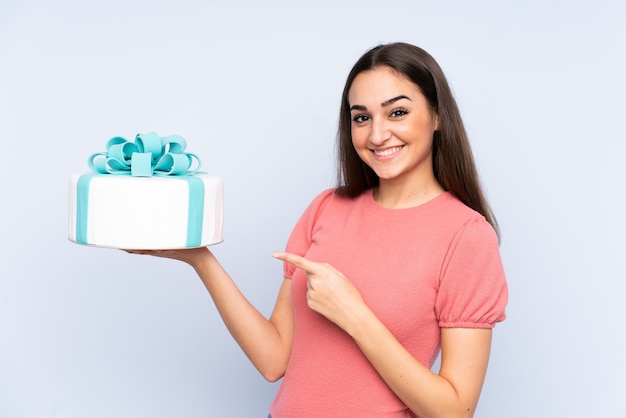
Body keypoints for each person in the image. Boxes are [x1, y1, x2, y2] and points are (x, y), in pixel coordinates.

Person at [129, 42, 508, 418]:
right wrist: (201, 260)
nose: (377, 135)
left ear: (437, 116)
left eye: (397, 112)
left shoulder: (466, 236)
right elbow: (273, 359)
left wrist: (355, 316)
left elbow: (455, 411)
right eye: (362, 118)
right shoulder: (327, 208)